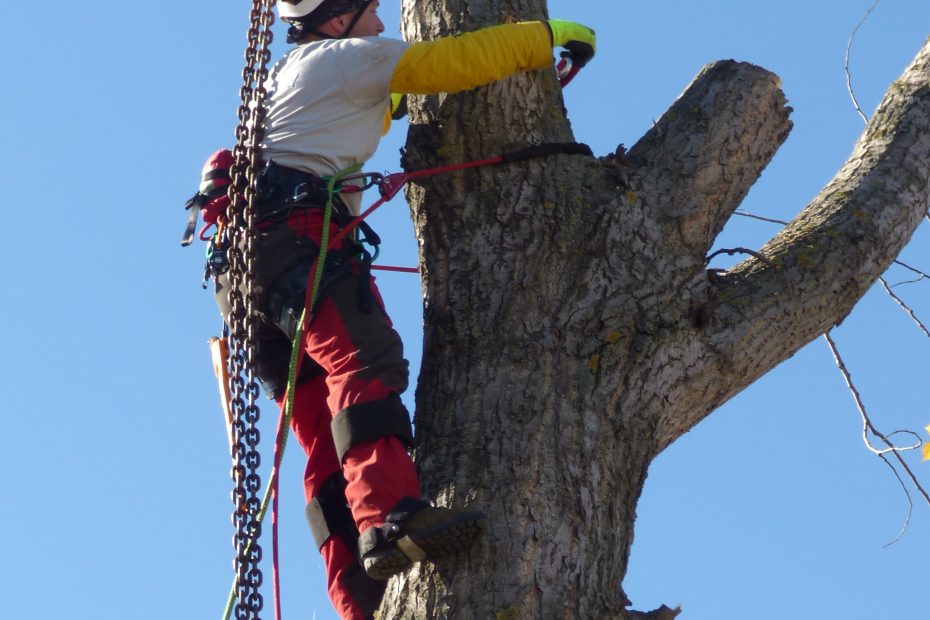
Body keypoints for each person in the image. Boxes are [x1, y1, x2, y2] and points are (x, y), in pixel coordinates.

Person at [198, 1, 596, 618]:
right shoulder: (347, 58)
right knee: (365, 363)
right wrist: (544, 39)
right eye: (371, 11)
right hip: (299, 247)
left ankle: (359, 596)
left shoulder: (290, 79)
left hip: (249, 283)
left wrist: (401, 103)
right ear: (336, 22)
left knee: (323, 430)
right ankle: (388, 516)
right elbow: (450, 60)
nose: (382, 22)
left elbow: (360, 109)